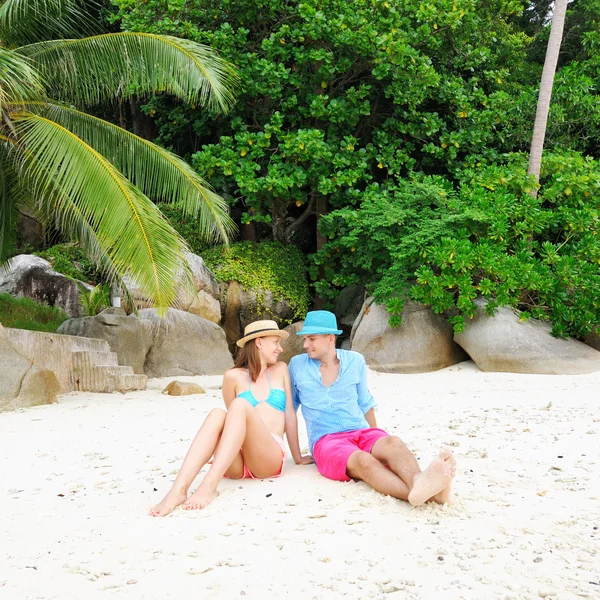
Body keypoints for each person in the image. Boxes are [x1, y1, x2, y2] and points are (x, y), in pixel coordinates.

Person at [288, 310, 456, 505]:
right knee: (364, 461)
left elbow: (365, 402)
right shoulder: (297, 365)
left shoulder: (355, 361)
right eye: (305, 339)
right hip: (327, 441)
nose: (305, 345)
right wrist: (297, 457)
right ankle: (433, 496)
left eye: (311, 339)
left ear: (330, 338)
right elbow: (289, 410)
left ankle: (419, 481)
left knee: (393, 442)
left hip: (360, 431)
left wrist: (376, 438)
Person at [150, 320, 312, 517]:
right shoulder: (232, 376)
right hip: (235, 462)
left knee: (240, 404)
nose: (280, 348)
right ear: (259, 342)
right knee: (218, 414)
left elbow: (289, 415)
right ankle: (178, 491)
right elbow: (232, 421)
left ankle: (209, 484)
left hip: (267, 459)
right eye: (275, 342)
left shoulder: (280, 370)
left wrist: (297, 457)